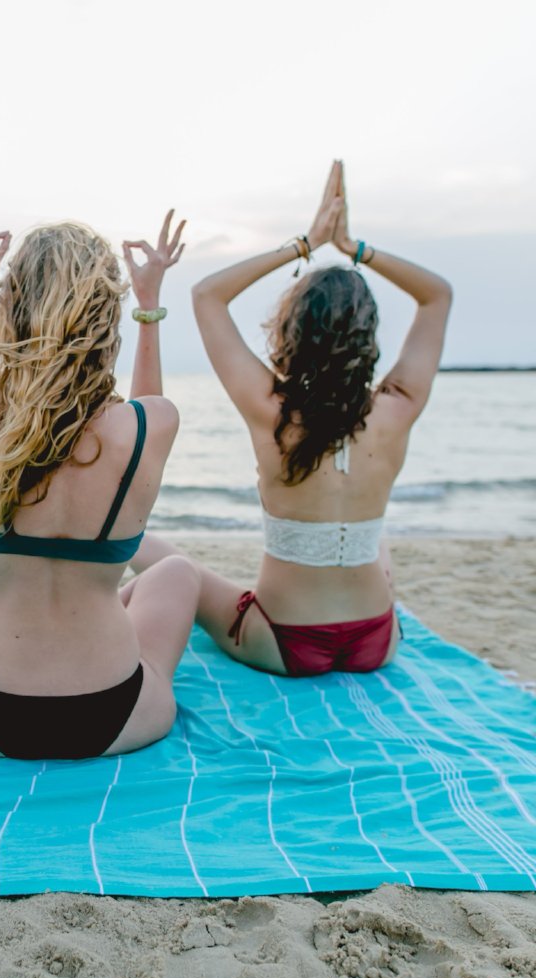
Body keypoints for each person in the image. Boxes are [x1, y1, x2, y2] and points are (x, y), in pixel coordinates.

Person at [135, 161, 452, 677]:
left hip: (282, 642)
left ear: (291, 331)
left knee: (168, 560)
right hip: (377, 639)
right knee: (375, 541)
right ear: (368, 336)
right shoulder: (398, 406)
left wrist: (306, 243)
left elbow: (207, 294)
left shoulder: (271, 409)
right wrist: (354, 248)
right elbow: (437, 294)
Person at [0, 200, 196, 758]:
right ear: (104, 320)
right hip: (117, 715)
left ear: (12, 310)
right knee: (176, 574)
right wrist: (149, 307)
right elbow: (149, 404)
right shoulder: (149, 428)